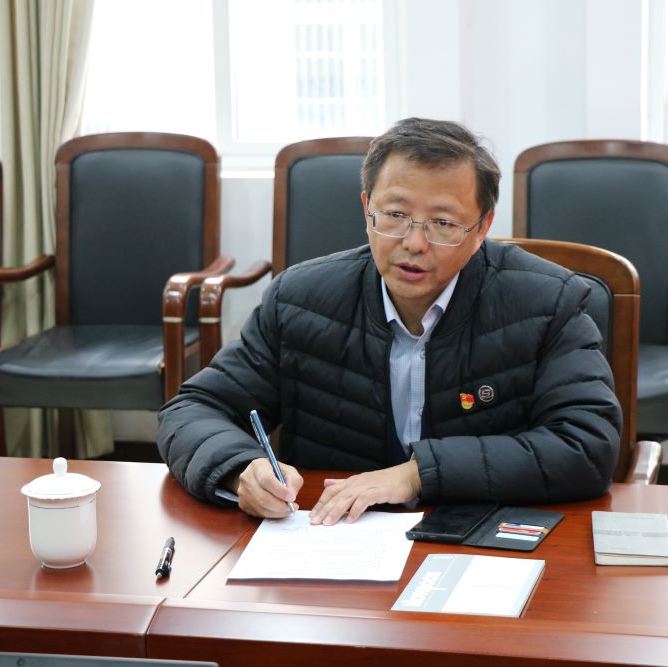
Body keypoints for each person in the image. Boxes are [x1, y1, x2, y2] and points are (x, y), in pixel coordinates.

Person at [157, 117, 621, 525]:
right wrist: (240, 469)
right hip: (335, 541)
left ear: (481, 228)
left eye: (443, 223)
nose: (414, 243)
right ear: (367, 209)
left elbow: (587, 445)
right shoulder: (300, 299)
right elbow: (193, 409)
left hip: (478, 539)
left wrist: (417, 474)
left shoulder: (547, 302)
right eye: (396, 215)